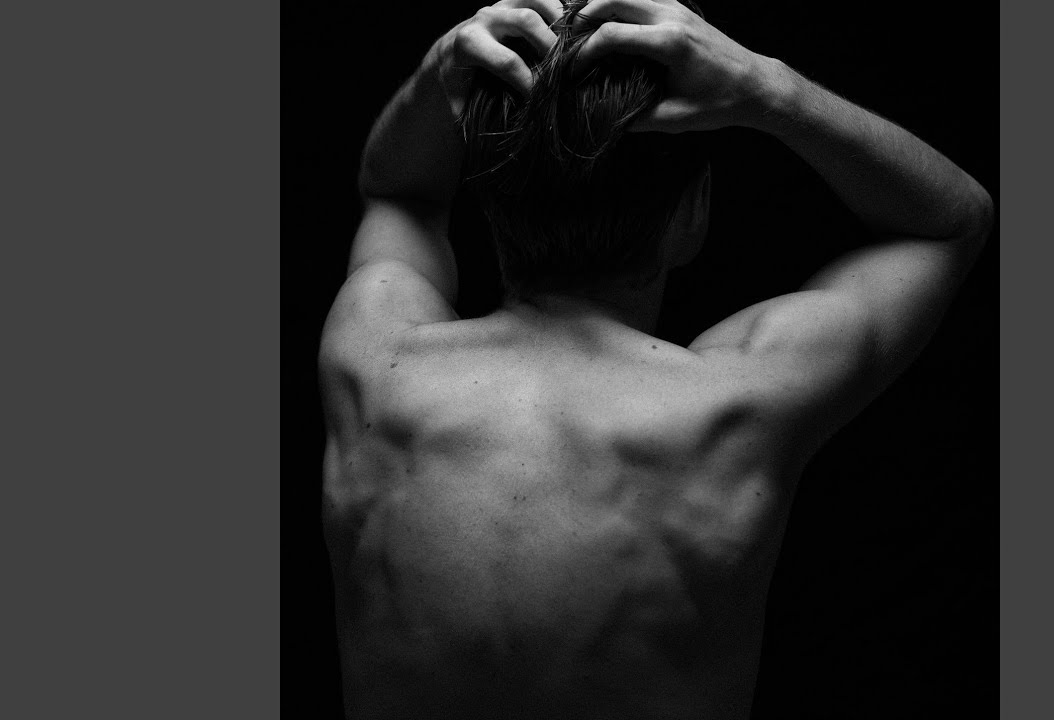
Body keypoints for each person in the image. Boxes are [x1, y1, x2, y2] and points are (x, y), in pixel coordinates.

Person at [318, 0, 993, 717]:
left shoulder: (375, 361)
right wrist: (768, 87)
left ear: (487, 194)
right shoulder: (738, 402)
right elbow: (951, 222)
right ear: (693, 213)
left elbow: (397, 189)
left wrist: (439, 71)